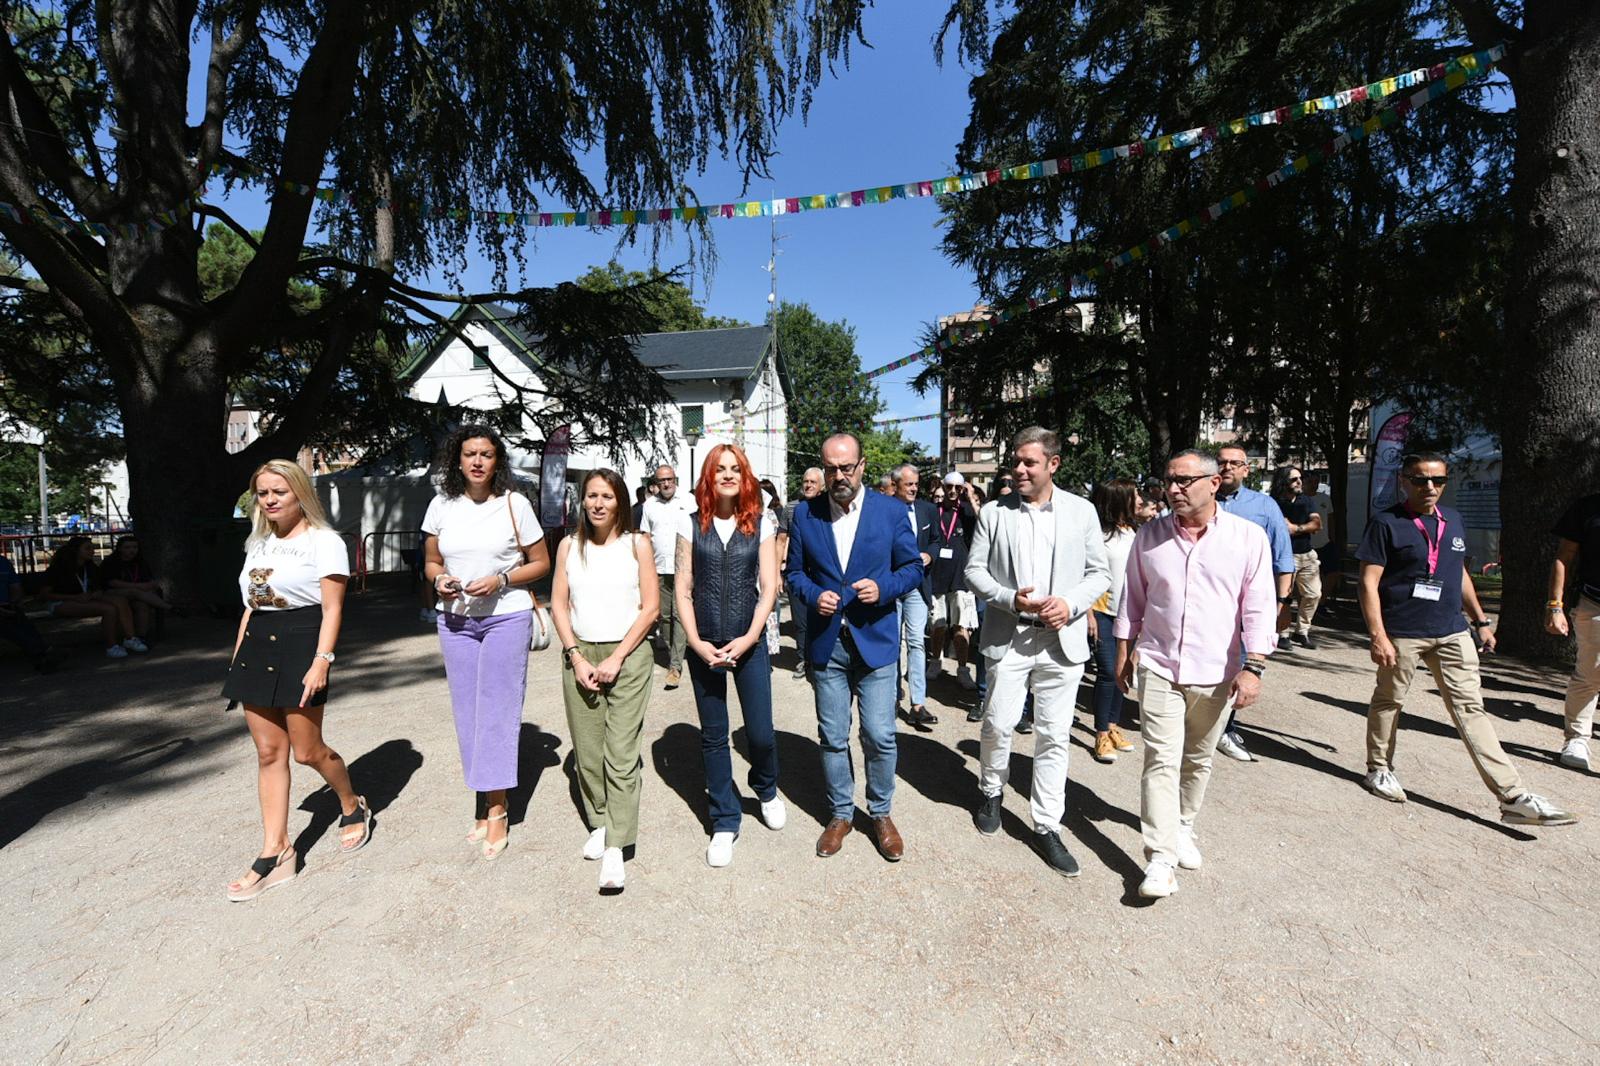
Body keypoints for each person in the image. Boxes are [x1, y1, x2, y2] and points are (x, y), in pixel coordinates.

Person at [1357, 453, 1575, 827]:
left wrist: (1481, 620)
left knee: (1471, 710)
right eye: (1421, 480)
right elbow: (1368, 582)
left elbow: (1458, 575)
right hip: (1404, 632)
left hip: (1452, 631)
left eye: (1438, 480)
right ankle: (1379, 768)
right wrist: (1379, 635)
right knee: (1389, 701)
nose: (1430, 487)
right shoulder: (1386, 523)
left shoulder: (1452, 520)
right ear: (1404, 481)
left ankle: (1513, 797)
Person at [1115, 449, 1276, 899]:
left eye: (1184, 481)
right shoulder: (1150, 536)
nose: (1173, 489)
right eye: (1170, 480)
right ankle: (1161, 859)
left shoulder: (1247, 538)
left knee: (1198, 758)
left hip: (1218, 670)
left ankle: (1183, 825)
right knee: (1160, 760)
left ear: (1214, 482)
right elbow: (1133, 598)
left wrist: (1254, 667)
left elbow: (1260, 606)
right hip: (1159, 663)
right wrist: (1124, 650)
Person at [220, 460, 369, 902]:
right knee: (269, 752)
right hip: (258, 642)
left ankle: (350, 802)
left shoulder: (325, 542)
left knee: (307, 751)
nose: (269, 500)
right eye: (262, 493)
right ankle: (276, 849)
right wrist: (237, 655)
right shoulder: (259, 542)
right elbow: (251, 604)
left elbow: (333, 609)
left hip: (303, 640)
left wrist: (323, 659)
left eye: (278, 492)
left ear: (299, 493)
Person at [966, 427, 1111, 876]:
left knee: (1054, 734)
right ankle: (992, 788)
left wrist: (1069, 604)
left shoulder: (1082, 511)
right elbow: (974, 570)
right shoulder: (994, 512)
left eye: (1030, 462)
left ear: (1053, 464)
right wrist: (1011, 599)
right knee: (997, 722)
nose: (1020, 469)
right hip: (1009, 635)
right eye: (1016, 461)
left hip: (1060, 640)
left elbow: (1099, 573)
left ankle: (1047, 824)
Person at [786, 433, 924, 861]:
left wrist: (883, 588)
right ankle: (841, 813)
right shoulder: (805, 515)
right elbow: (793, 574)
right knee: (832, 736)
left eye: (847, 467)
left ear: (862, 466)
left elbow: (912, 568)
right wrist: (812, 595)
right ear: (822, 469)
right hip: (828, 644)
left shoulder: (891, 511)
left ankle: (880, 813)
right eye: (831, 469)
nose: (839, 476)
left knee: (880, 735)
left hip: (876, 639)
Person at [422, 425, 551, 860]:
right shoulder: (441, 505)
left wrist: (501, 579)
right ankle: (484, 796)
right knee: (468, 713)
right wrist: (438, 578)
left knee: (497, 710)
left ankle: (497, 808)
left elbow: (541, 563)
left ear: (498, 461)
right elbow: (431, 559)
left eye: (487, 454)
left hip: (505, 616)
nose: (478, 461)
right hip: (455, 620)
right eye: (470, 454)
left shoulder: (515, 504)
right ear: (456, 460)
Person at [551, 468, 660, 891]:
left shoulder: (638, 545)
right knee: (588, 751)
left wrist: (616, 657)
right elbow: (559, 606)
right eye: (591, 496)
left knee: (619, 751)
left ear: (621, 503)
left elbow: (650, 608)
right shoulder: (567, 546)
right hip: (580, 654)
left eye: (607, 496)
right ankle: (599, 819)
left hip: (627, 656)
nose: (598, 503)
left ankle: (616, 845)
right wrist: (575, 656)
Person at [677, 446, 786, 868]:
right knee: (713, 735)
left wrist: (749, 636)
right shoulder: (689, 527)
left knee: (760, 732)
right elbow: (683, 590)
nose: (727, 475)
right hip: (703, 643)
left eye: (734, 469)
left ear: (745, 476)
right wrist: (695, 641)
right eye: (719, 469)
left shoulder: (760, 524)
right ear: (708, 476)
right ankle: (725, 818)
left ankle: (766, 786)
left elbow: (769, 587)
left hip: (748, 641)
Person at [1212, 444, 1295, 762]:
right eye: (1222, 462)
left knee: (1242, 665)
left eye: (1235, 463)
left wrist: (1281, 603)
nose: (1228, 467)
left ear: (1247, 470)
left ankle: (1224, 727)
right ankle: (1206, 724)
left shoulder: (1264, 506)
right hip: (1207, 602)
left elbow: (1283, 558)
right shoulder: (1201, 501)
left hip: (1248, 604)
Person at [1089, 478, 1142, 763]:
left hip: (1130, 615)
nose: (1141, 500)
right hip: (1103, 613)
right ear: (1121, 500)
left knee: (1123, 673)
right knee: (1108, 672)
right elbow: (1084, 574)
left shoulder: (1136, 532)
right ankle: (1100, 733)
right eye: (1136, 496)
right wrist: (1088, 614)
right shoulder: (1098, 535)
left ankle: (1113, 726)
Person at [1548, 489, 1600, 769]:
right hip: (1595, 604)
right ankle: (1577, 738)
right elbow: (1563, 557)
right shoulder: (1588, 507)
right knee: (1591, 674)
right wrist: (1555, 606)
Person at [638, 464, 695, 689]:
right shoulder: (649, 506)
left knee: (680, 614)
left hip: (683, 568)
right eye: (662, 480)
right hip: (659, 568)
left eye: (670, 479)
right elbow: (645, 536)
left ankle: (675, 665)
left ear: (675, 479)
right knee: (664, 616)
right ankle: (675, 652)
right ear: (656, 483)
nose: (666, 484)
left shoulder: (688, 501)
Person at [891, 463, 939, 730]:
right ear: (896, 484)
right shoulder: (884, 510)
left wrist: (930, 555)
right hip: (892, 586)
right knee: (894, 643)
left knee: (917, 643)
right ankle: (892, 696)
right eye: (908, 484)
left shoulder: (927, 509)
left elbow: (936, 539)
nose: (913, 488)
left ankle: (918, 703)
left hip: (919, 586)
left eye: (916, 484)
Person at [42, 537, 146, 659]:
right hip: (62, 602)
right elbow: (44, 594)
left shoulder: (90, 567)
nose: (92, 551)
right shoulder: (58, 569)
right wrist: (74, 597)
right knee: (109, 609)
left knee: (120, 601)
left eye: (92, 548)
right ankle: (111, 646)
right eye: (87, 548)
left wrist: (97, 592)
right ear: (76, 551)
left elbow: (98, 585)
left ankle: (130, 638)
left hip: (87, 599)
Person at [929, 471, 979, 692]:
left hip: (961, 578)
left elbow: (985, 526)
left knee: (961, 628)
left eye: (957, 488)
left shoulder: (967, 512)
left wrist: (971, 497)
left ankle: (963, 669)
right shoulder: (933, 511)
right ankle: (935, 662)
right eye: (949, 486)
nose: (952, 491)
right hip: (936, 576)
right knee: (938, 625)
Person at [1271, 466, 1324, 649]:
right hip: (1285, 555)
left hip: (1307, 555)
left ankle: (1301, 631)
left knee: (1314, 594)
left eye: (1300, 478)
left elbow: (1317, 524)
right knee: (1285, 596)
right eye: (1294, 479)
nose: (1299, 482)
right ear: (1283, 482)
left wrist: (1295, 529)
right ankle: (1282, 633)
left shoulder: (1306, 500)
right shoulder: (1273, 503)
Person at [785, 467, 825, 679]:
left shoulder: (829, 509)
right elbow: (781, 538)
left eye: (813, 482)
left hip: (821, 575)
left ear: (822, 486)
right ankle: (803, 658)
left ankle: (819, 661)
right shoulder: (792, 508)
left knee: (820, 619)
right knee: (800, 621)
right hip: (798, 571)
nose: (808, 485)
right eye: (805, 481)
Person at [98, 534, 171, 641]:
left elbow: (148, 579)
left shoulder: (140, 562)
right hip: (113, 593)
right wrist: (138, 586)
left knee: (142, 606)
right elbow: (112, 582)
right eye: (127, 547)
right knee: (133, 592)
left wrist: (150, 585)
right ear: (119, 549)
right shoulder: (111, 562)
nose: (132, 550)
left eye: (134, 547)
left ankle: (141, 636)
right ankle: (169, 608)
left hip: (139, 595)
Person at [0, 552, 60, 672]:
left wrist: (14, 601)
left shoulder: (3, 563)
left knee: (17, 618)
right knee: (7, 622)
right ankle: (43, 653)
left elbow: (16, 587)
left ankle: (42, 655)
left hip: (6, 606)